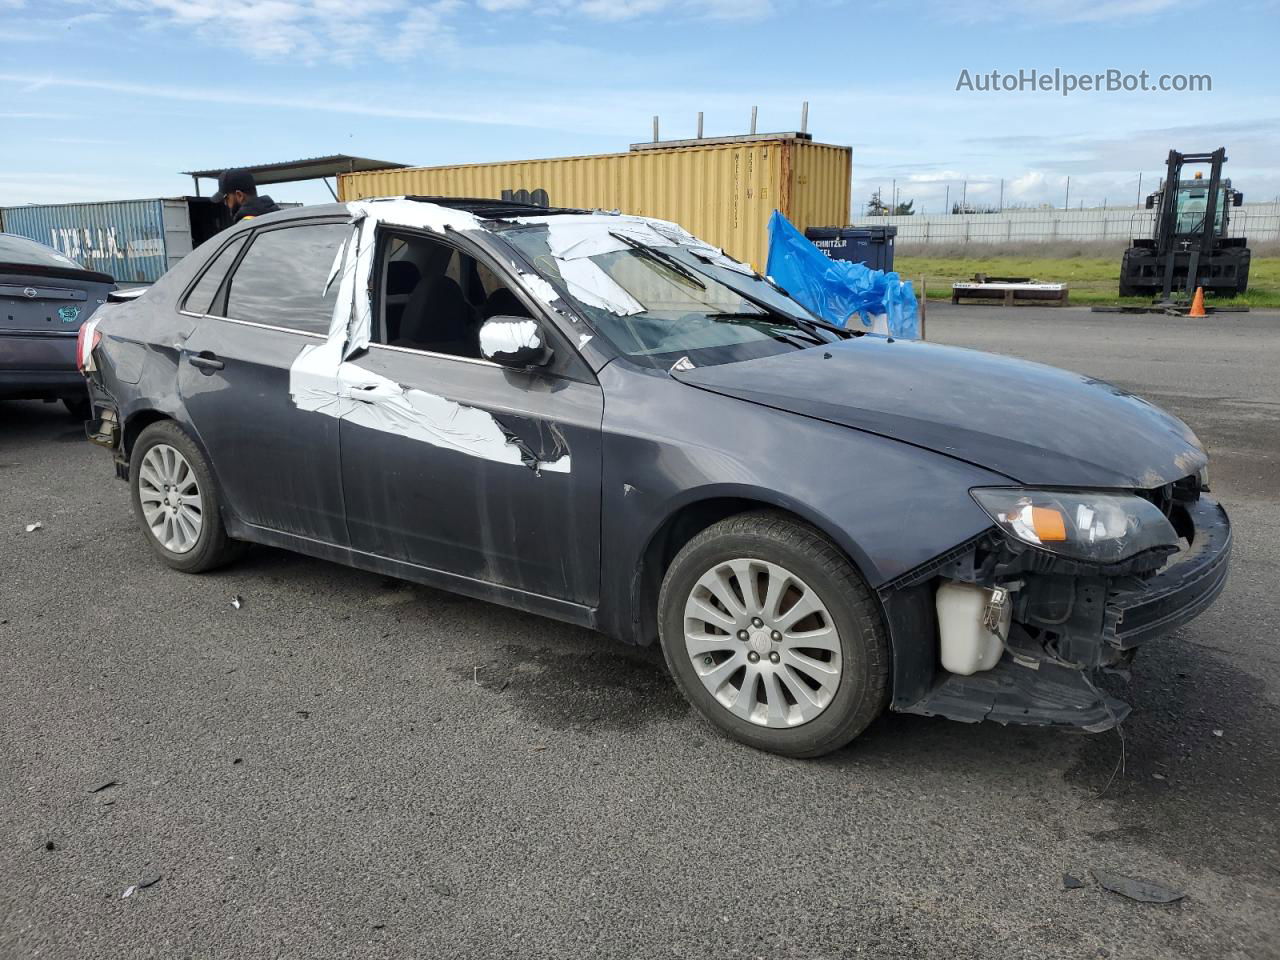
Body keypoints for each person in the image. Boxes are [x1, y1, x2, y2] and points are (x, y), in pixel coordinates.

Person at [211, 169, 281, 224]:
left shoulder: (246, 227)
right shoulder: (280, 216)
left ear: (239, 195)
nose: (225, 203)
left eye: (226, 198)